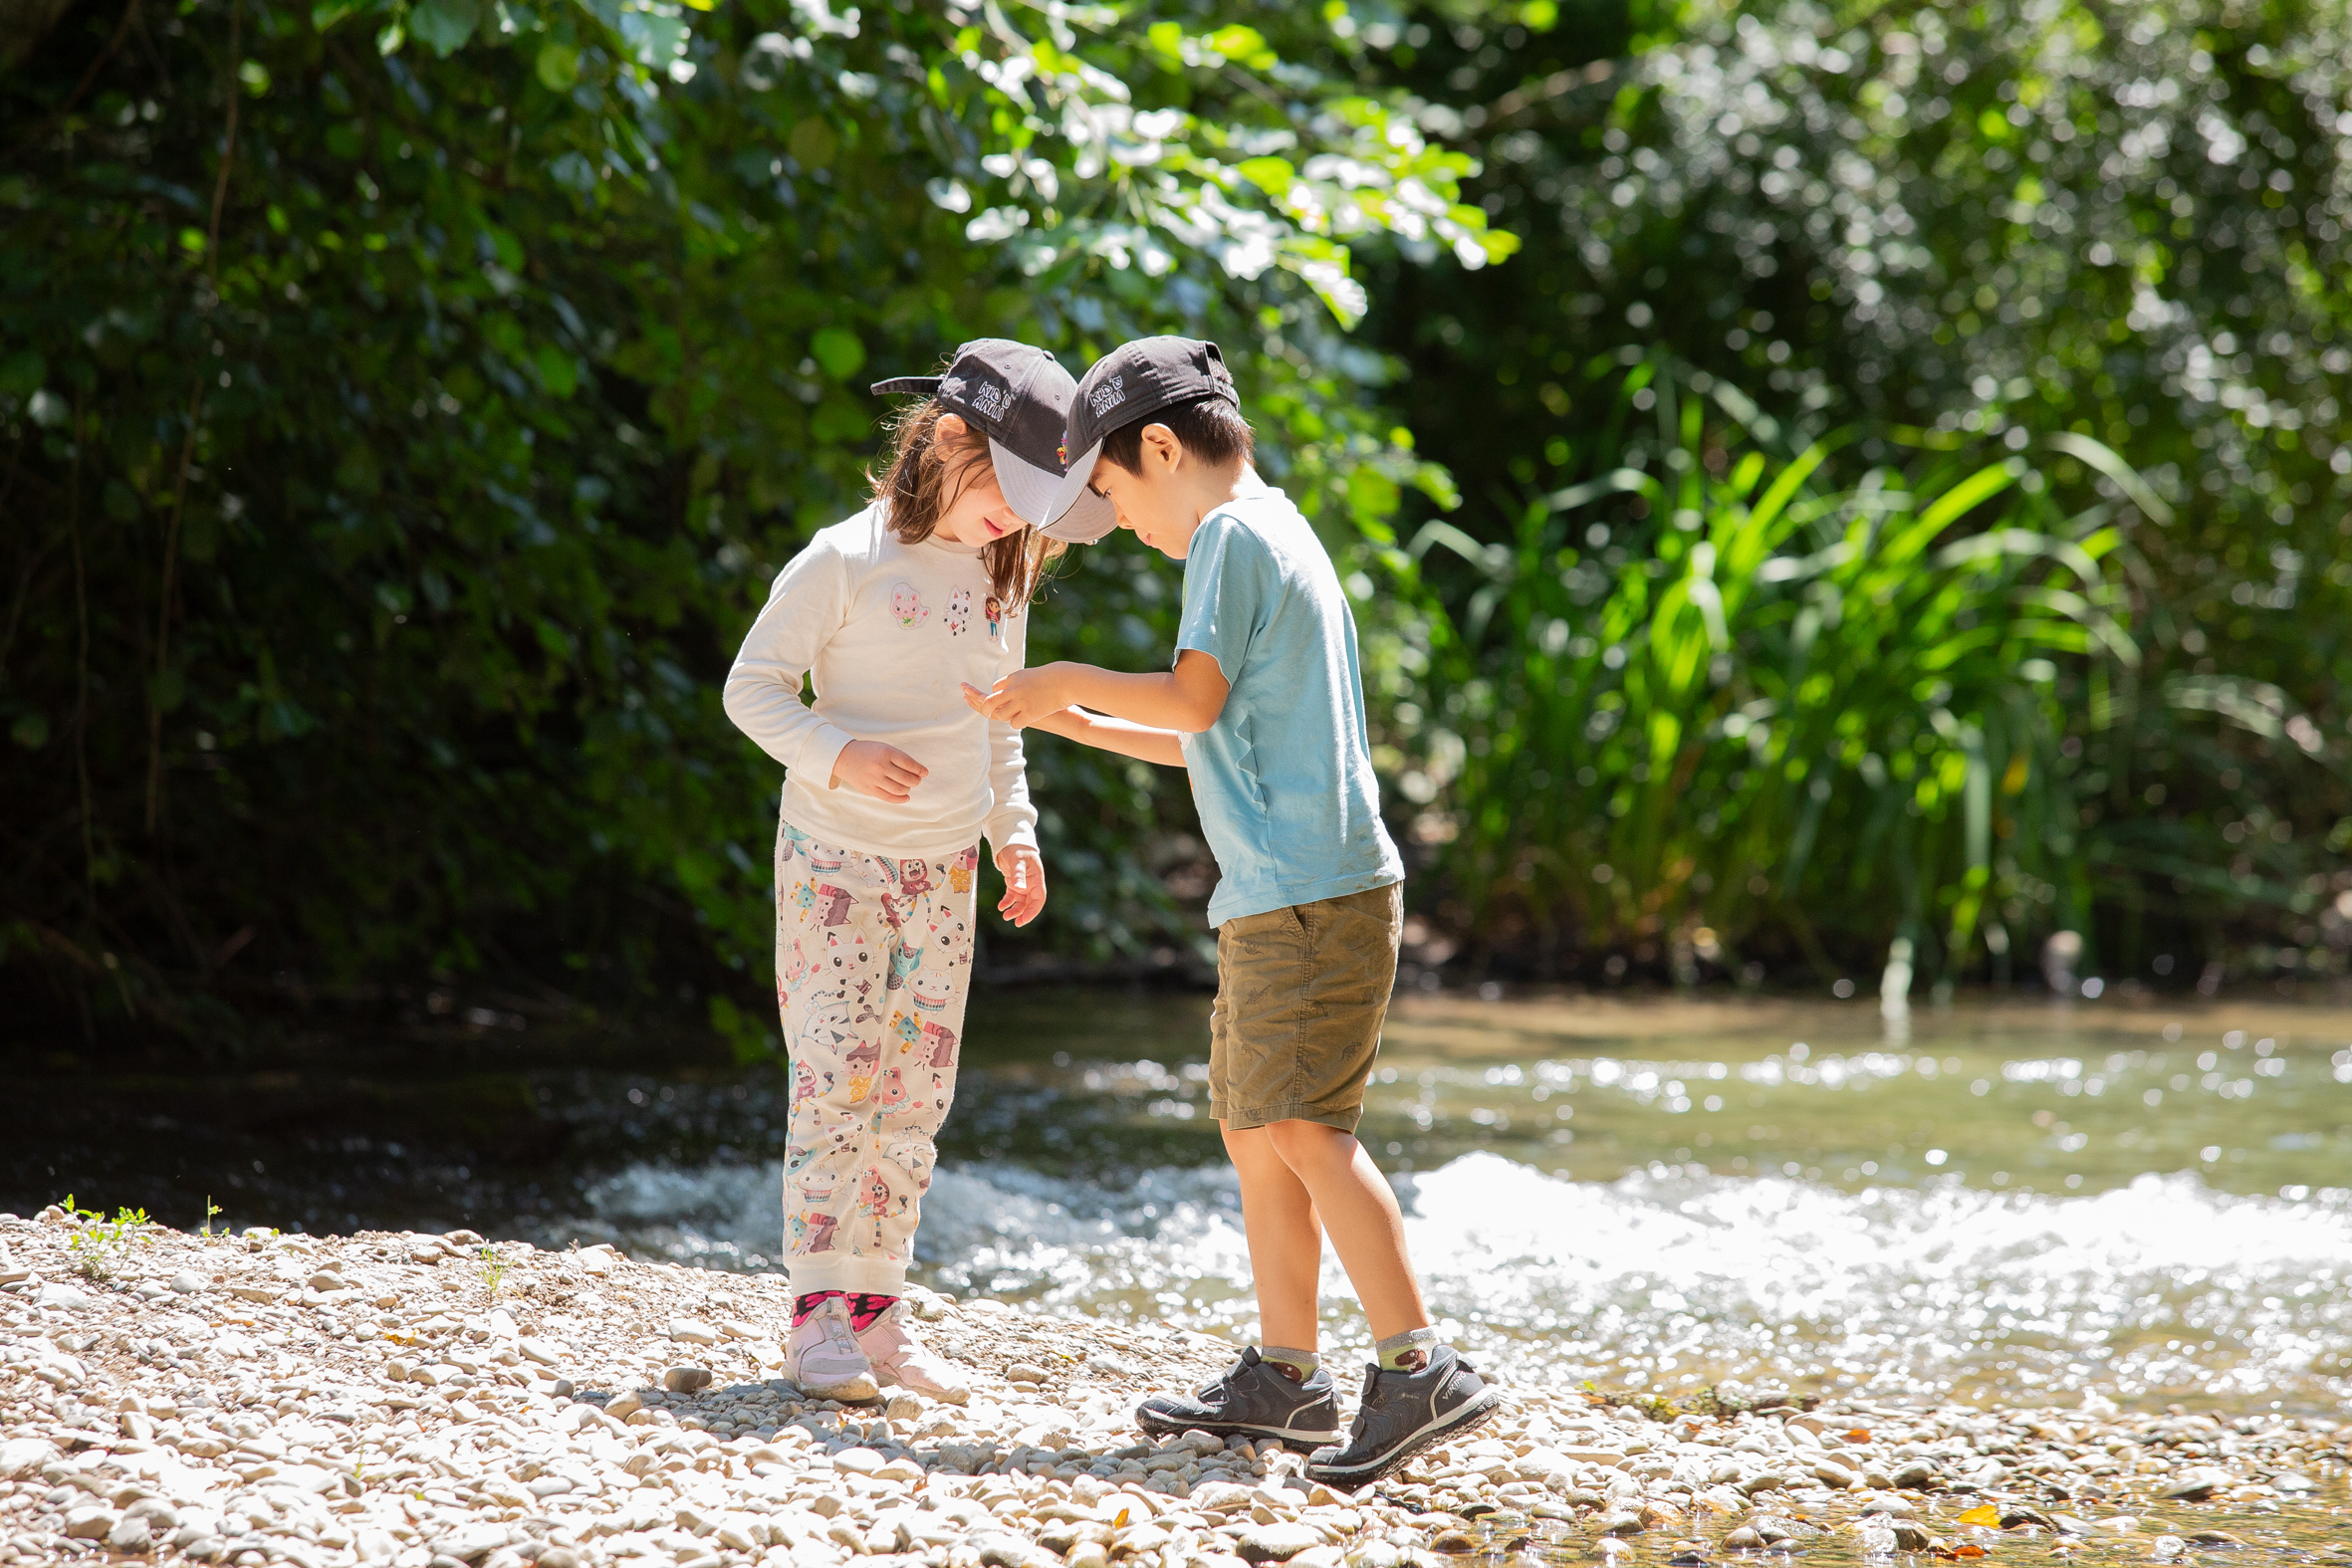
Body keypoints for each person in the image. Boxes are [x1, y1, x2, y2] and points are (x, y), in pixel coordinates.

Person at [963, 337, 1502, 1487]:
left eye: (1113, 491)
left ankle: (1419, 1367)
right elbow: (1208, 731)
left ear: (1161, 448)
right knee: (1257, 1131)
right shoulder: (1275, 528)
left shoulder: (1225, 538)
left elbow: (1193, 696)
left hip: (1308, 893)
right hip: (1287, 892)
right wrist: (1076, 723)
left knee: (1304, 1131)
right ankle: (1285, 1377)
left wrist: (1067, 679)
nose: (1121, 522)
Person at [723, 339, 1114, 1405]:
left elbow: (1001, 722)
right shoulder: (842, 560)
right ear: (948, 442)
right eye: (1012, 493)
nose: (1022, 519)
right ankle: (814, 1316)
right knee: (837, 1078)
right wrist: (836, 752)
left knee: (914, 1093)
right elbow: (751, 689)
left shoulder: (1003, 571)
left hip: (942, 872)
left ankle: (879, 1315)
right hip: (836, 864)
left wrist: (1012, 831)